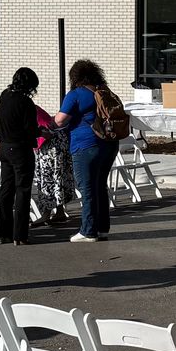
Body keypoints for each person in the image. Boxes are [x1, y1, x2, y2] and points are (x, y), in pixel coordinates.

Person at [55, 59, 114, 243]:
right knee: (100, 186)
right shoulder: (103, 91)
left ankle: (88, 231)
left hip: (85, 145)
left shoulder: (76, 94)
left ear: (75, 76)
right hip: (109, 145)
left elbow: (59, 121)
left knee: (87, 189)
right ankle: (102, 228)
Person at [0, 66, 40, 245]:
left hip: (4, 147)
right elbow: (29, 129)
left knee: (6, 189)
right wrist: (41, 132)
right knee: (22, 190)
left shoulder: (5, 95)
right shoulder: (25, 102)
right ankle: (19, 234)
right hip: (20, 149)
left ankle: (3, 231)